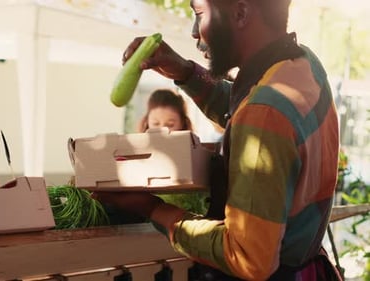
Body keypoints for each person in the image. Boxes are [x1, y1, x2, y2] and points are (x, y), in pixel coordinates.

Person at [93, 0, 342, 280]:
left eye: (199, 14)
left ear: (240, 12)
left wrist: (151, 208)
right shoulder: (301, 65)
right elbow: (251, 113)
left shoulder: (264, 111)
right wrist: (185, 72)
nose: (194, 31)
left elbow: (249, 258)